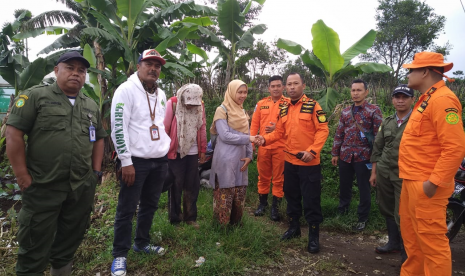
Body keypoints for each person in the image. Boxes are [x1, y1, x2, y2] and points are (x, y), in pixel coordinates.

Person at [6, 51, 106, 276]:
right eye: (70, 67)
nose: (76, 74)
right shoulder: (35, 97)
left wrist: (96, 171)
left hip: (80, 187)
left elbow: (99, 137)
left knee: (68, 242)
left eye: (81, 70)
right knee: (34, 245)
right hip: (43, 185)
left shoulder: (89, 104)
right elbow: (13, 134)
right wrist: (22, 175)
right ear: (56, 70)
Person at [398, 52, 465, 276]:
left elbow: (454, 148)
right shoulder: (426, 98)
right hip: (411, 181)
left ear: (425, 71)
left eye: (411, 70)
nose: (408, 74)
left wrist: (433, 183)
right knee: (413, 242)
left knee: (432, 246)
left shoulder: (443, 100)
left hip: (426, 186)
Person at [110, 49, 171, 276]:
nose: (154, 68)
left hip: (159, 160)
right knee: (126, 209)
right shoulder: (126, 90)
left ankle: (142, 243)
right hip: (135, 161)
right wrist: (126, 161)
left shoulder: (161, 94)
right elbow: (119, 126)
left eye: (157, 65)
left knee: (150, 205)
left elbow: (159, 125)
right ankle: (119, 255)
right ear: (138, 66)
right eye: (149, 64)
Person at [254, 72, 329, 253]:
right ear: (286, 88)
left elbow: (323, 130)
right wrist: (264, 139)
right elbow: (279, 133)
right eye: (289, 84)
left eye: (296, 83)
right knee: (292, 196)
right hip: (289, 161)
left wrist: (312, 151)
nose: (292, 87)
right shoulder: (284, 108)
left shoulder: (313, 106)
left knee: (311, 200)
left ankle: (313, 236)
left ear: (303, 85)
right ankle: (294, 228)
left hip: (308, 163)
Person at [369, 84, 414, 261]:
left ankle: (407, 253)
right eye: (397, 97)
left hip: (405, 175)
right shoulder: (387, 121)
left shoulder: (418, 120)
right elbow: (377, 148)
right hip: (384, 171)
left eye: (404, 97)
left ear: (412, 99)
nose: (400, 100)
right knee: (386, 208)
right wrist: (374, 173)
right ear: (392, 99)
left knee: (402, 213)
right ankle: (394, 243)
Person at [331, 79, 382, 231]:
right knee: (344, 186)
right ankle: (342, 211)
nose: (355, 93)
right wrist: (335, 152)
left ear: (366, 92)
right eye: (353, 90)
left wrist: (375, 159)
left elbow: (378, 137)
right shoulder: (346, 111)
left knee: (364, 188)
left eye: (359, 90)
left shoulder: (373, 110)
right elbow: (339, 132)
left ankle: (363, 217)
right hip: (345, 155)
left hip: (364, 155)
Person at [210, 80, 254, 226]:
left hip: (241, 157)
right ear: (231, 92)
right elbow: (225, 136)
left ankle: (236, 224)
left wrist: (249, 156)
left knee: (239, 191)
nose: (243, 95)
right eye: (239, 92)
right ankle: (221, 226)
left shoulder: (242, 111)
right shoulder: (222, 110)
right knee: (225, 190)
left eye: (245, 92)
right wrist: (249, 138)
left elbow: (248, 135)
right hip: (226, 158)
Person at [164, 84, 207, 229]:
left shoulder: (200, 106)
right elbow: (166, 127)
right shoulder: (173, 103)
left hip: (193, 152)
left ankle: (190, 217)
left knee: (192, 185)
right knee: (175, 184)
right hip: (176, 151)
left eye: (194, 104)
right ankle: (175, 218)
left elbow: (202, 127)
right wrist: (165, 150)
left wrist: (202, 150)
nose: (191, 107)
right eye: (189, 104)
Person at [250, 75, 288, 221]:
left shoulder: (288, 103)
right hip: (263, 146)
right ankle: (262, 204)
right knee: (263, 177)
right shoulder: (261, 104)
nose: (276, 88)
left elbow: (291, 124)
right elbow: (254, 125)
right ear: (269, 88)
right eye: (273, 86)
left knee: (279, 179)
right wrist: (252, 143)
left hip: (281, 147)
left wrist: (277, 128)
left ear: (283, 87)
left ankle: (275, 208)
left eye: (278, 85)